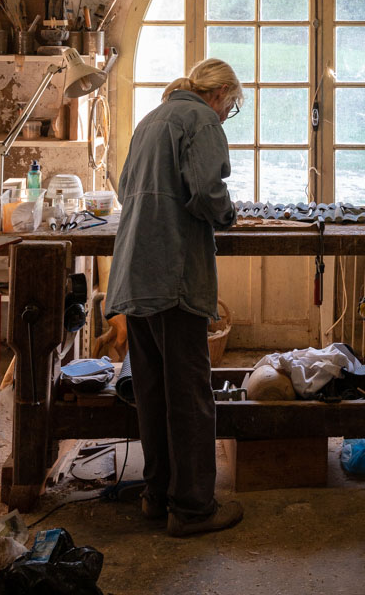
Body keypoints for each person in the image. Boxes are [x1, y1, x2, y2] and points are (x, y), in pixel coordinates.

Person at [105, 58, 244, 537]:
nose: (227, 114)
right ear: (220, 93)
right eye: (231, 105)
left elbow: (126, 188)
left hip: (136, 272)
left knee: (153, 391)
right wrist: (229, 214)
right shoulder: (201, 119)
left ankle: (157, 495)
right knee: (188, 394)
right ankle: (191, 509)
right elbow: (206, 192)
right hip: (172, 274)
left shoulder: (153, 118)